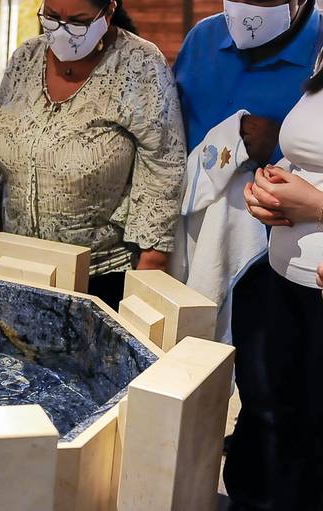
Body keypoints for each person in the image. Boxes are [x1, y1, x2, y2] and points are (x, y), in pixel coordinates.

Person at [174, 1, 323, 509]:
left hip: (307, 270)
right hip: (275, 271)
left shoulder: (315, 37)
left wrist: (311, 199)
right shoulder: (201, 42)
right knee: (266, 412)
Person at [0, 0, 185, 309]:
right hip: (18, 265)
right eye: (52, 17)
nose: (63, 30)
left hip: (102, 275)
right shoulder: (25, 58)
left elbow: (164, 162)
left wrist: (153, 261)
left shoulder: (140, 63)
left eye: (78, 21)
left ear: (107, 13)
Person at [241, 55, 323, 510]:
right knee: (284, 441)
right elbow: (307, 149)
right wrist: (274, 182)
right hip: (287, 283)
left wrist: (316, 206)